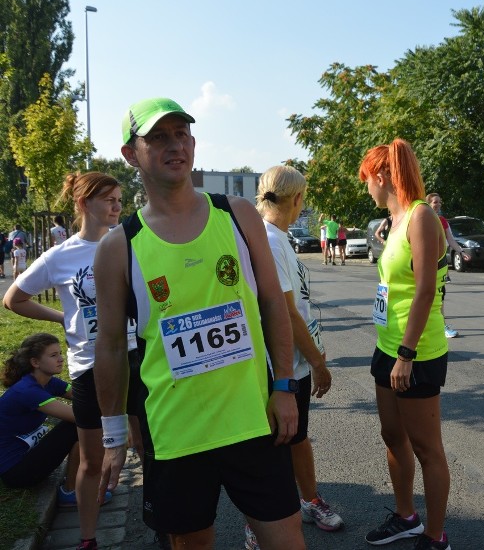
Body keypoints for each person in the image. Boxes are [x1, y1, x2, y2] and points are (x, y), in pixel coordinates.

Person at [94, 97, 304, 550]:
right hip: (176, 435)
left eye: (182, 134)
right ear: (131, 154)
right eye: (158, 137)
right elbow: (110, 347)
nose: (175, 146)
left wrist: (284, 386)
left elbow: (272, 302)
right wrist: (113, 435)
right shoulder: (119, 246)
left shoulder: (236, 214)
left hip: (253, 420)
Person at [3, 172, 126, 550]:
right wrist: (61, 318)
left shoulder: (129, 242)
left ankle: (164, 522)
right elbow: (14, 299)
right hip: (89, 366)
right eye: (109, 199)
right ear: (84, 203)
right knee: (91, 460)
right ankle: (88, 538)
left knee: (149, 446)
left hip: (135, 359)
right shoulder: (60, 256)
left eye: (120, 199)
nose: (117, 206)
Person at [359, 139, 452, 550]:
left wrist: (406, 354)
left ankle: (435, 536)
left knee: (427, 449)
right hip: (387, 344)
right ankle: (405, 516)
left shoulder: (421, 216)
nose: (367, 189)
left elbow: (425, 290)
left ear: (381, 176)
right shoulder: (396, 221)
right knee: (392, 434)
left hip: (415, 352)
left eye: (366, 181)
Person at [247, 165, 342, 547]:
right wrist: (317, 361)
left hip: (294, 357)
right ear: (298, 199)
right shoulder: (268, 240)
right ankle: (259, 526)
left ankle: (309, 499)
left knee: (297, 436)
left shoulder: (278, 237)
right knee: (276, 445)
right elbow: (284, 310)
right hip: (280, 363)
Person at [0, 333, 79, 504]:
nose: (61, 359)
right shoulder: (27, 390)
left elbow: (84, 397)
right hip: (16, 471)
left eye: (60, 353)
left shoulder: (49, 382)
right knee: (76, 427)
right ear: (35, 362)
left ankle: (84, 478)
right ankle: (69, 490)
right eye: (53, 355)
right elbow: (80, 417)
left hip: (30, 456)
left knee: (82, 424)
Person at [426, 192, 470, 339]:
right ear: (428, 203)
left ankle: (442, 326)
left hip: (440, 263)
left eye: (439, 202)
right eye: (434, 202)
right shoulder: (421, 219)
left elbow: (450, 240)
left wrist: (461, 251)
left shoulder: (442, 221)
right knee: (422, 295)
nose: (438, 205)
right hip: (424, 263)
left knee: (439, 296)